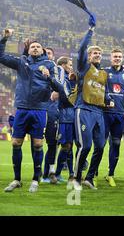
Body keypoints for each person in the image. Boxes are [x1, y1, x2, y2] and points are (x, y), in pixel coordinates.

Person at [1, 29, 58, 193]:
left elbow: (56, 87)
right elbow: (1, 57)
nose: (35, 48)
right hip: (22, 109)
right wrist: (5, 38)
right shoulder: (21, 62)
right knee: (16, 142)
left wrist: (49, 77)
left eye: (38, 47)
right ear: (28, 49)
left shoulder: (49, 64)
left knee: (38, 143)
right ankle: (17, 179)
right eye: (33, 46)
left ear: (43, 51)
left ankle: (35, 179)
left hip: (39, 109)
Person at [72, 17, 114, 191]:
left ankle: (89, 178)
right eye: (94, 53)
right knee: (85, 146)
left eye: (99, 53)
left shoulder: (104, 74)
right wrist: (90, 31)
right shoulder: (83, 68)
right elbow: (81, 48)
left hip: (98, 112)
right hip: (84, 109)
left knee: (100, 147)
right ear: (89, 56)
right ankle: (75, 178)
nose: (97, 55)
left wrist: (108, 101)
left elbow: (104, 92)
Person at [103, 49, 124, 187]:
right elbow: (99, 89)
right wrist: (106, 98)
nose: (117, 58)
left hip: (119, 114)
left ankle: (111, 174)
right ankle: (93, 174)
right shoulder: (104, 72)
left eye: (120, 57)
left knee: (116, 144)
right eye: (115, 56)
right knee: (100, 144)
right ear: (110, 58)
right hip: (105, 113)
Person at [53, 57, 77, 182]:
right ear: (63, 65)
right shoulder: (61, 80)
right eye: (70, 65)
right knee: (65, 146)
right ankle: (57, 173)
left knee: (70, 146)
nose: (71, 67)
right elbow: (67, 99)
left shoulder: (71, 80)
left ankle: (71, 174)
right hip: (65, 117)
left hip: (73, 117)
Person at [41, 47, 60, 184]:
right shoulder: (35, 69)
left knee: (53, 144)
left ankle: (49, 173)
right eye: (44, 53)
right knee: (37, 143)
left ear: (53, 57)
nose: (46, 56)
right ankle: (40, 174)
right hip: (38, 110)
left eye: (49, 54)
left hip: (52, 112)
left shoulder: (56, 72)